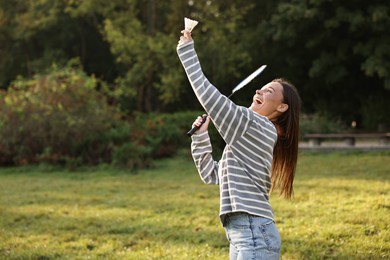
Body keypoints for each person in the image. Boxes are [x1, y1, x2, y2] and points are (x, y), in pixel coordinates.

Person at [177, 29, 301, 259]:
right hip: (242, 232)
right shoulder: (247, 134)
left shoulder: (257, 126)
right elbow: (212, 174)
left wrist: (186, 51)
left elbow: (208, 96)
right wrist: (201, 137)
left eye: (269, 91)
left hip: (253, 231)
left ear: (281, 107)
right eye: (261, 87)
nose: (259, 90)